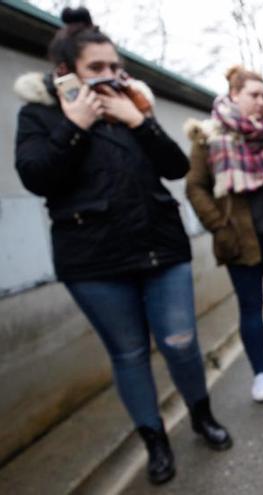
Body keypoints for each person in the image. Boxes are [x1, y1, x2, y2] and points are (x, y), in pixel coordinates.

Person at [13, 7, 232, 485]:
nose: (110, 77)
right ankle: (155, 440)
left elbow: (175, 167)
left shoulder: (133, 106)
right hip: (93, 261)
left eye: (114, 67)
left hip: (160, 246)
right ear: (65, 71)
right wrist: (75, 125)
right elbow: (37, 176)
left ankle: (201, 415)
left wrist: (141, 121)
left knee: (180, 340)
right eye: (97, 69)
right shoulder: (39, 115)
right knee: (130, 354)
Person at [185, 66, 263, 404]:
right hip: (239, 240)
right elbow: (195, 187)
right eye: (253, 95)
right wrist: (219, 224)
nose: (261, 102)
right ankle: (260, 375)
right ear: (233, 95)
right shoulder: (209, 137)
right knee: (250, 308)